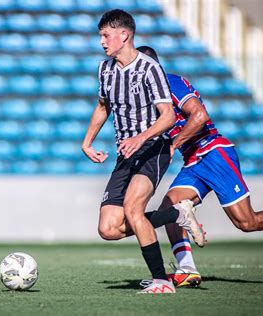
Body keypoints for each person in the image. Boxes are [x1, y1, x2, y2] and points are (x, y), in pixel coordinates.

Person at [134, 45, 263, 288]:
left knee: (246, 223)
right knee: (170, 209)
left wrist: (173, 145)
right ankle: (187, 269)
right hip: (193, 160)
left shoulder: (171, 84)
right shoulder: (148, 98)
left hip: (213, 153)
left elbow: (200, 116)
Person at [81, 9, 203, 294]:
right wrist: (87, 142)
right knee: (109, 229)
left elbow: (168, 116)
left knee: (133, 209)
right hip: (126, 154)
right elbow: (102, 107)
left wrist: (142, 136)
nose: (102, 41)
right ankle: (174, 215)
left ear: (124, 35)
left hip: (152, 149)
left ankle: (162, 280)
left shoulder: (150, 68)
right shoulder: (105, 69)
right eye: (101, 36)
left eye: (105, 35)